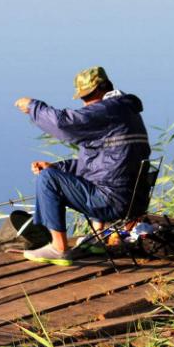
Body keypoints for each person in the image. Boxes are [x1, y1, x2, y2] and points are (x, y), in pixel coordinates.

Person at [14, 66, 150, 266]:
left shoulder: (108, 110)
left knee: (47, 179)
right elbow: (103, 163)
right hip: (133, 201)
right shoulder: (126, 111)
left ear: (102, 89)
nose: (85, 103)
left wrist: (34, 107)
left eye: (87, 96)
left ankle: (59, 249)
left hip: (112, 201)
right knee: (53, 173)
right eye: (82, 98)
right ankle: (99, 238)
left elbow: (64, 124)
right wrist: (57, 167)